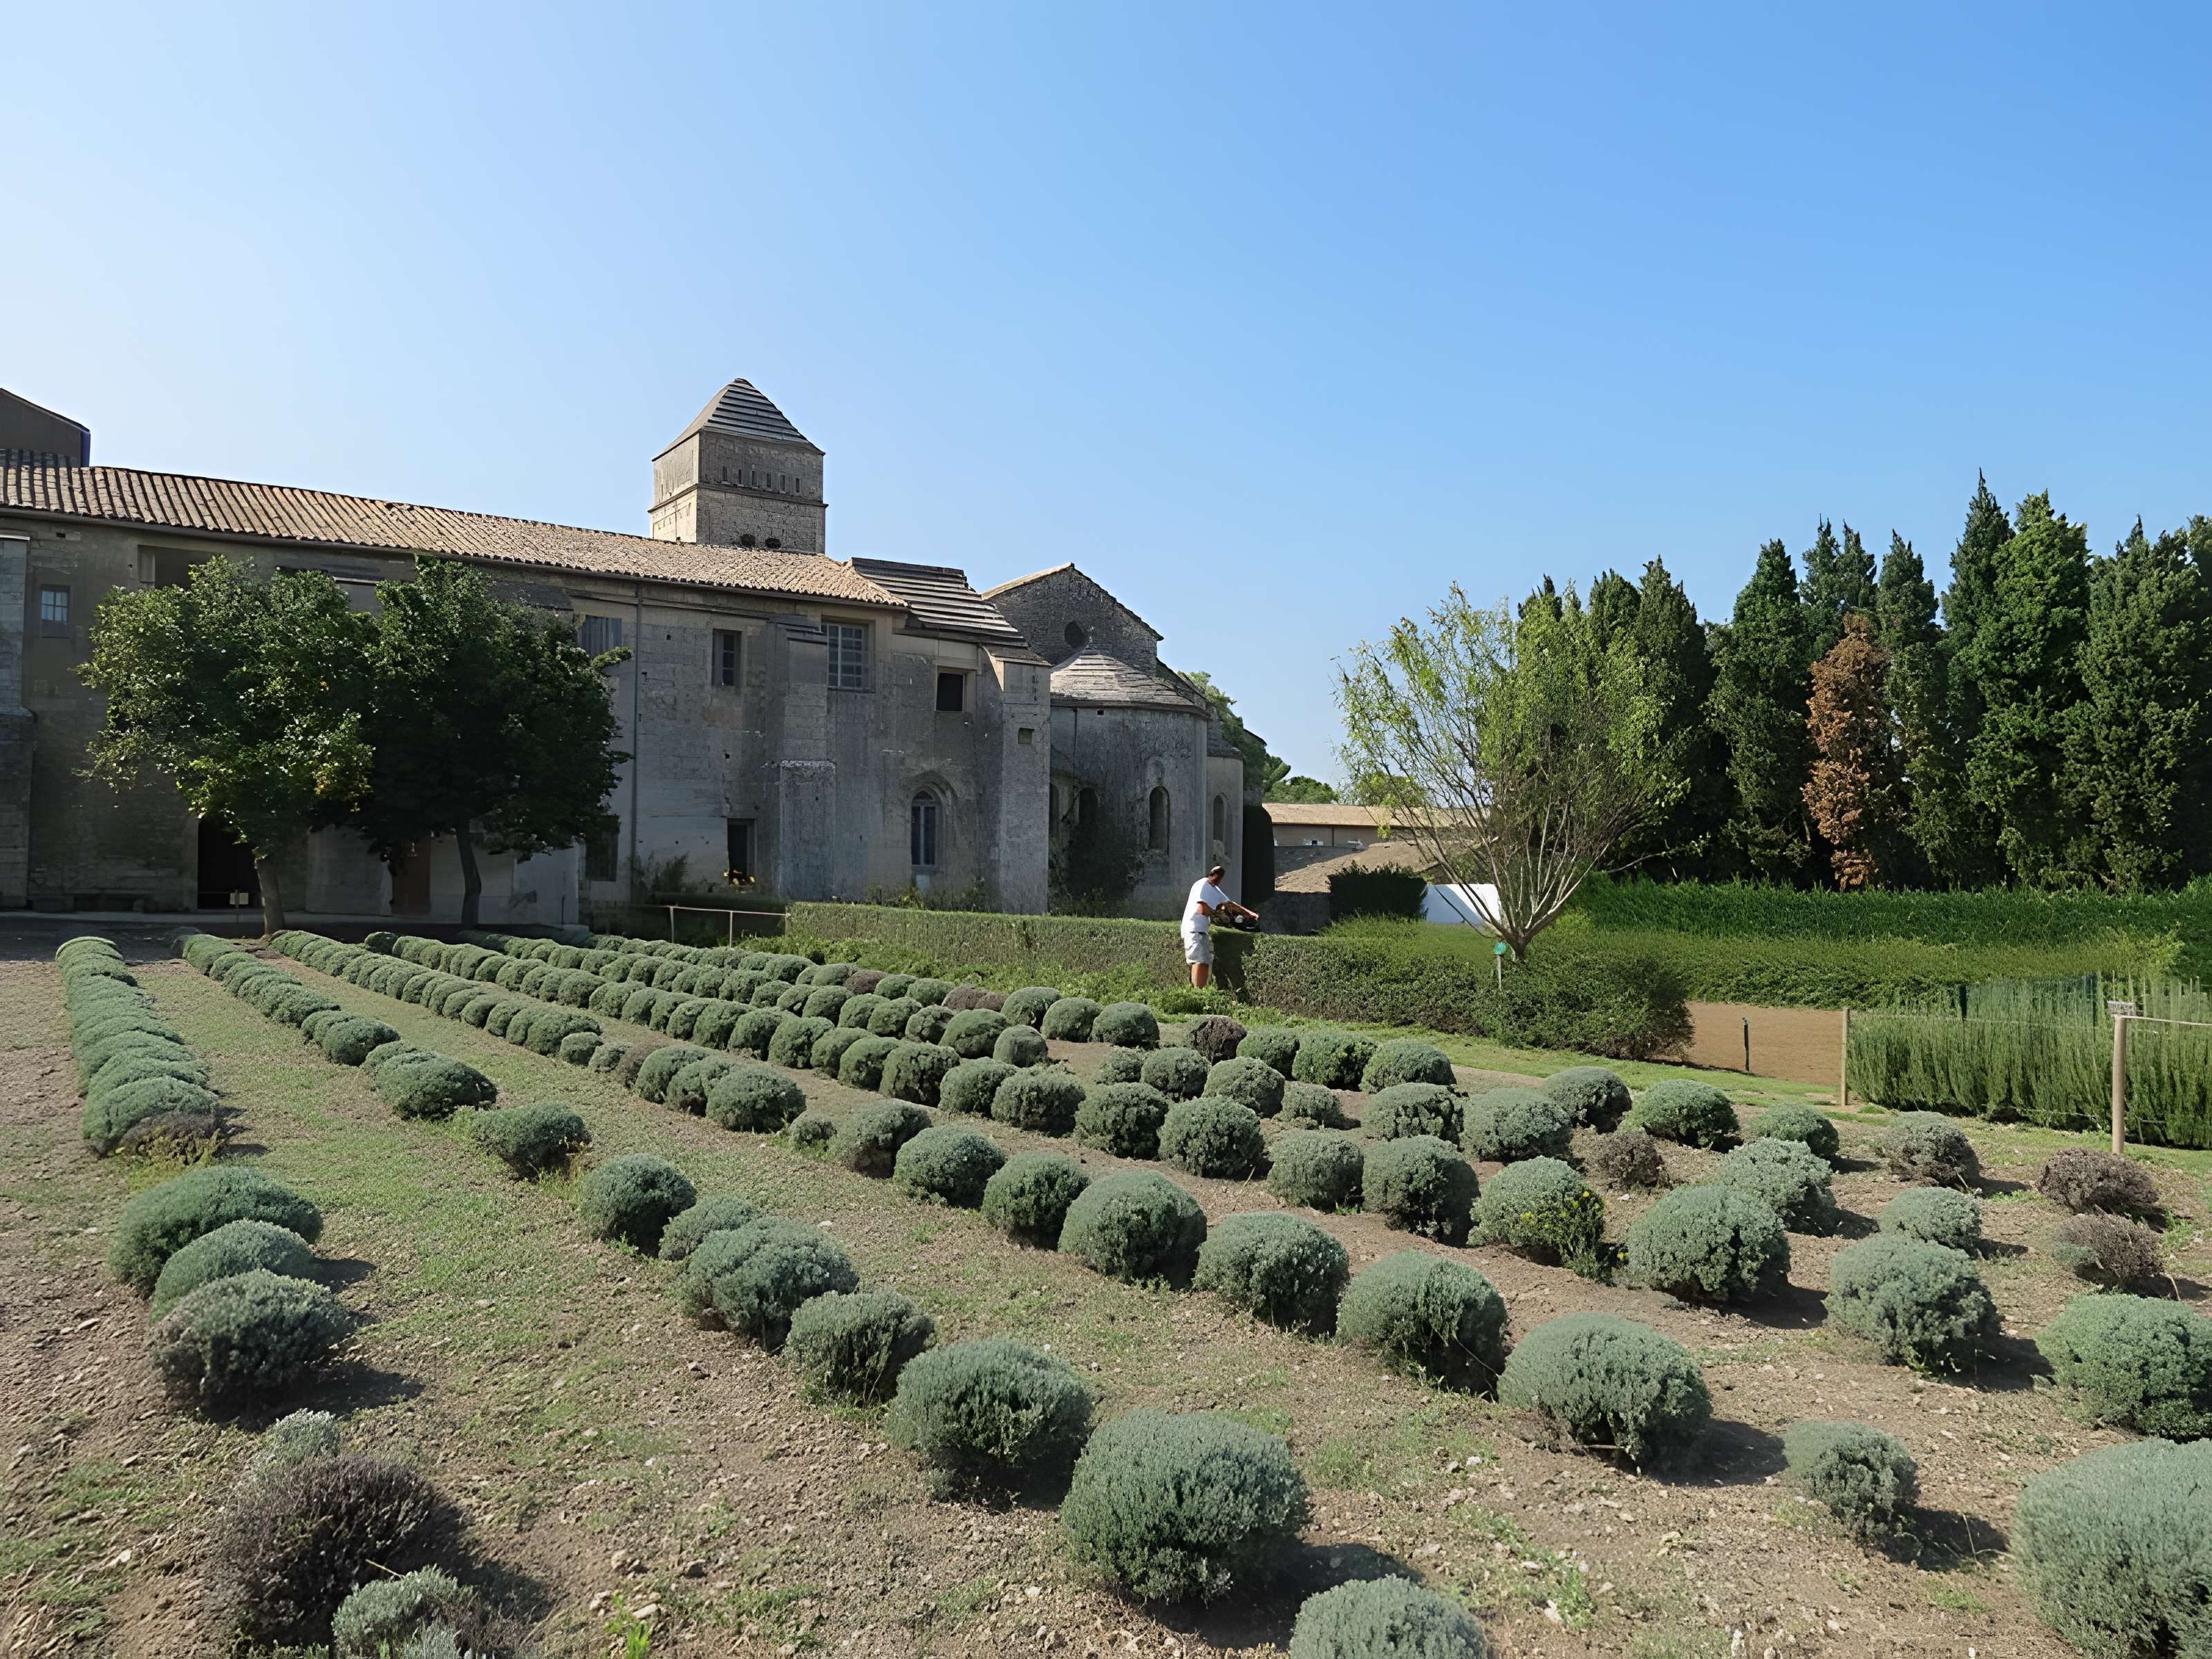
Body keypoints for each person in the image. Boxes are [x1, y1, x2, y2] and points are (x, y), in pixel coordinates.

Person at [1181, 864, 1257, 989]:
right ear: (1210, 874)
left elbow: (1230, 904)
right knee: (1199, 961)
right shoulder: (1202, 884)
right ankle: (1197, 992)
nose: (1218, 878)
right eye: (1216, 874)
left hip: (1201, 929)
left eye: (1220, 875)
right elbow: (1202, 908)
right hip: (1193, 927)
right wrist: (1219, 916)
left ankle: (1201, 990)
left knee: (1204, 961)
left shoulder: (1215, 889)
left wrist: (1249, 913)